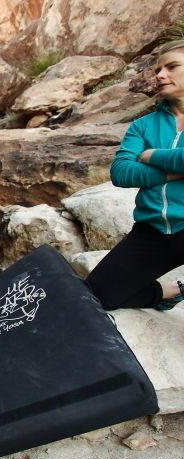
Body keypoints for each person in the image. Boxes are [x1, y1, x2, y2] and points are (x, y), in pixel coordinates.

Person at [87, 39, 184, 311]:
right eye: (158, 70)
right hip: (152, 231)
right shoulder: (143, 125)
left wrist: (151, 155)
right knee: (96, 295)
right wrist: (174, 175)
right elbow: (121, 173)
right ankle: (166, 292)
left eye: (172, 67)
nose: (161, 75)